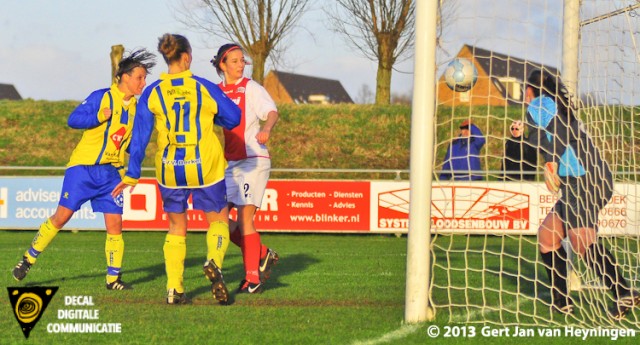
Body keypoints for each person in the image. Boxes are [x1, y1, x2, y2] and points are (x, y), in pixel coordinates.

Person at [111, 34, 241, 305]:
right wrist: (210, 114)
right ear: (187, 57)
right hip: (204, 164)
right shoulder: (203, 87)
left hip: (170, 167)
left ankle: (174, 288)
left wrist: (132, 173)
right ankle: (215, 262)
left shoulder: (153, 92)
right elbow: (233, 117)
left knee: (176, 227)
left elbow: (140, 137)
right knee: (217, 220)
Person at [12, 49, 157, 290]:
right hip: (83, 169)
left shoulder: (136, 110)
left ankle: (113, 279)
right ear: (124, 77)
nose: (143, 82)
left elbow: (129, 143)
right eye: (139, 77)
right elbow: (74, 119)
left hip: (111, 173)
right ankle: (29, 258)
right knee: (62, 217)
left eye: (144, 78)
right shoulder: (101, 97)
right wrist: (98, 116)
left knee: (115, 225)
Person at [525, 68, 638, 319]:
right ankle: (561, 301)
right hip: (592, 177)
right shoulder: (555, 104)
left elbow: (560, 132)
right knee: (548, 236)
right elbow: (555, 133)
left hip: (583, 179)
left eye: (526, 88)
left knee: (581, 241)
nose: (524, 94)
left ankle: (622, 291)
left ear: (530, 90)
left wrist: (551, 162)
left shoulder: (540, 104)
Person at [210, 43, 280, 294]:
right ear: (222, 64)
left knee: (244, 218)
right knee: (218, 218)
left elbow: (271, 111)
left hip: (254, 159)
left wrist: (266, 128)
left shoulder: (251, 87)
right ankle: (261, 253)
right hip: (231, 164)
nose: (241, 65)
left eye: (242, 61)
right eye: (235, 61)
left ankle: (253, 278)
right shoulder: (215, 92)